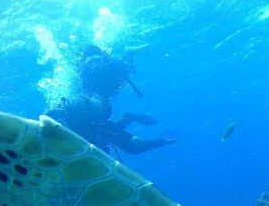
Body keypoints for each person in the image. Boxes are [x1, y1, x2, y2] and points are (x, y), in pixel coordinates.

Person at [44, 45, 178, 155]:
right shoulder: (86, 76)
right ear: (85, 64)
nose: (95, 65)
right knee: (127, 144)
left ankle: (129, 50)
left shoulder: (114, 64)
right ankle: (128, 118)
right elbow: (87, 97)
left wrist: (129, 67)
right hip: (97, 120)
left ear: (103, 58)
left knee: (132, 146)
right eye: (90, 63)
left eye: (97, 60)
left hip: (110, 91)